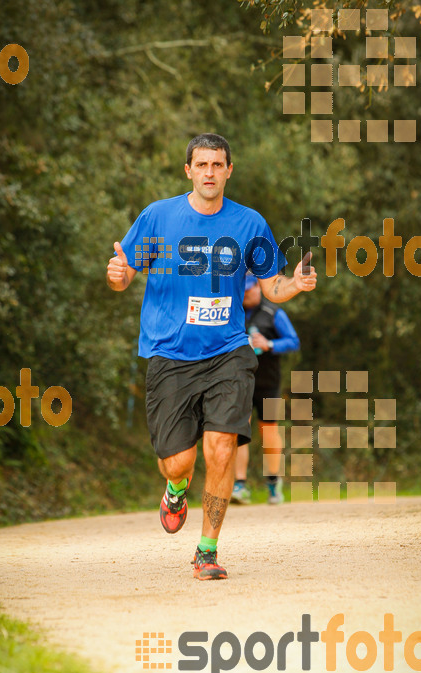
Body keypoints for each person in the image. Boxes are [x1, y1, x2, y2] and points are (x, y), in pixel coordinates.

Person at [106, 133, 317, 580]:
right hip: (170, 352)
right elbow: (124, 275)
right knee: (178, 461)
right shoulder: (158, 217)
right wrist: (119, 276)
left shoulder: (249, 224)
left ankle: (207, 551)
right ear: (188, 170)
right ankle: (177, 487)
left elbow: (270, 284)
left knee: (221, 447)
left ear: (228, 171)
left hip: (228, 351)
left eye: (217, 165)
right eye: (201, 165)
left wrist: (293, 285)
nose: (209, 173)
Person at [231, 274, 300, 505]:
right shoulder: (233, 313)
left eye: (249, 290)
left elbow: (293, 341)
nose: (246, 294)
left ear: (259, 289)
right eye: (243, 291)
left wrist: (269, 344)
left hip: (268, 384)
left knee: (269, 434)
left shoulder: (274, 313)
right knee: (240, 433)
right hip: (241, 384)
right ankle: (239, 485)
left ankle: (273, 483)